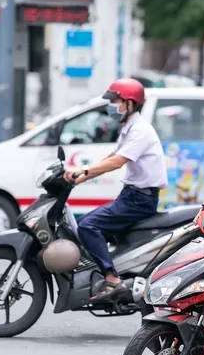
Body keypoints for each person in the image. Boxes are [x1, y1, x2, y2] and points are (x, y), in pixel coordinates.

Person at [64, 78, 168, 302]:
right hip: (132, 195)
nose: (112, 106)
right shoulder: (129, 129)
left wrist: (82, 168)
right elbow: (111, 157)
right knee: (87, 222)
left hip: (139, 199)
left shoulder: (140, 131)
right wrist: (80, 177)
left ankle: (112, 279)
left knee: (87, 226)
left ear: (130, 104)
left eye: (116, 101)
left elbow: (117, 162)